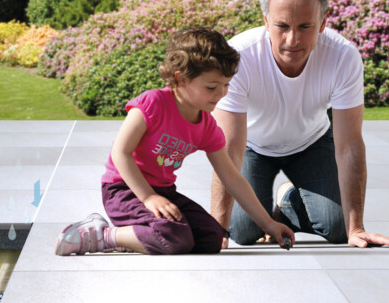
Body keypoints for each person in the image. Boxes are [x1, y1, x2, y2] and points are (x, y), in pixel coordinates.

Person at [210, 0, 389, 249]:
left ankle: (289, 202)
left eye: (305, 26)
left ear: (323, 21)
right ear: (266, 20)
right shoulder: (239, 56)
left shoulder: (343, 57)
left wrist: (357, 228)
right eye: (282, 26)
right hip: (253, 146)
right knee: (242, 231)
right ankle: (266, 213)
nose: (293, 40)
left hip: (311, 143)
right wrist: (218, 228)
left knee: (338, 228)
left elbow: (349, 144)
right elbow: (229, 146)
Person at [55, 26, 295, 256]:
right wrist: (148, 197)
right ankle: (102, 235)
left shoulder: (206, 126)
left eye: (226, 85)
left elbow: (232, 178)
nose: (222, 93)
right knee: (173, 238)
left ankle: (142, 238)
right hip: (124, 190)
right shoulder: (152, 104)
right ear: (181, 79)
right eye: (212, 86)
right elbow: (121, 153)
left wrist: (269, 224)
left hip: (164, 192)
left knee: (212, 237)